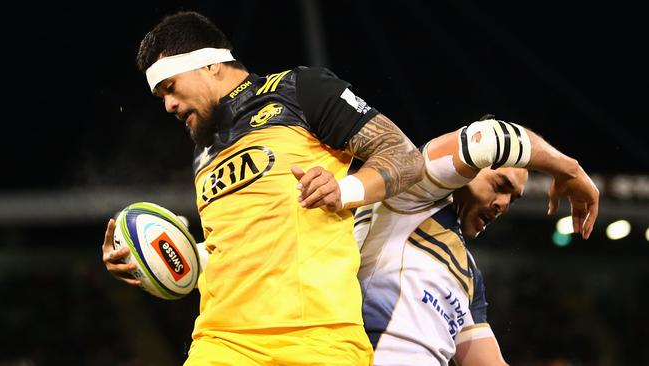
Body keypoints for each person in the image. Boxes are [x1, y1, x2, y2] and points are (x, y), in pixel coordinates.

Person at [101, 10, 424, 366]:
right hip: (220, 343)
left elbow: (405, 156)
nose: (168, 105)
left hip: (318, 338)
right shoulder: (202, 152)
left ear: (210, 64)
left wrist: (344, 191)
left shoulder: (300, 90)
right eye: (160, 96)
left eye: (170, 87)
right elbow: (231, 247)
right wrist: (153, 257)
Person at [353, 116, 599, 365]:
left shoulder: (469, 274)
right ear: (468, 169)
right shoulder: (409, 191)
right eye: (500, 185)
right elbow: (486, 139)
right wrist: (570, 170)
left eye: (512, 199)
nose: (503, 204)